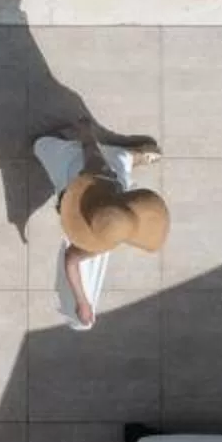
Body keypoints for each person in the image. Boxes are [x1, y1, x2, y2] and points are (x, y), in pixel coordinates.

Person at [32, 119, 168, 329]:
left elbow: (90, 146)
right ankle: (132, 156)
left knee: (45, 146)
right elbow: (71, 260)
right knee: (42, 146)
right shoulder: (100, 171)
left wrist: (86, 131)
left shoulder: (107, 197)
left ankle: (130, 156)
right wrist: (82, 302)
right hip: (79, 168)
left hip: (97, 173)